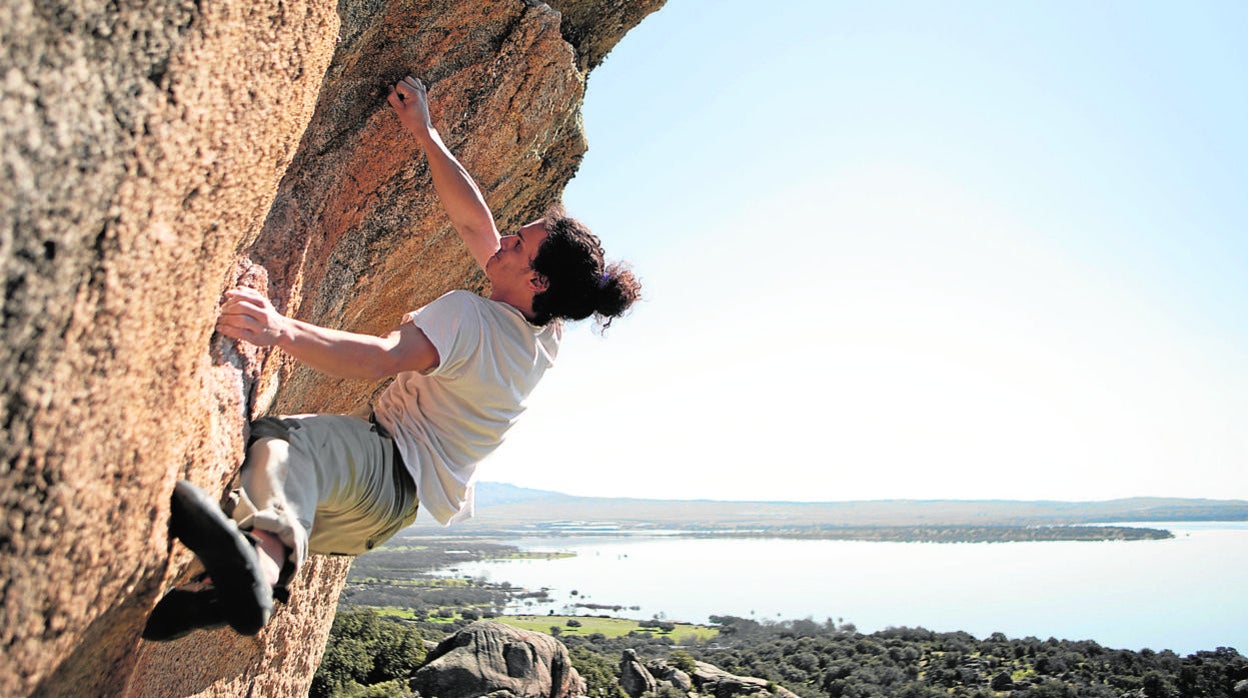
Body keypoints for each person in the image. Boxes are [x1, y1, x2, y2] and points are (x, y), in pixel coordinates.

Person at [142, 75, 640, 641]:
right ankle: (220, 588)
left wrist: (278, 329)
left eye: (518, 244)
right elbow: (474, 223)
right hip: (377, 521)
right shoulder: (543, 333)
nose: (503, 240)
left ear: (536, 279)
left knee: (284, 442)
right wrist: (425, 135)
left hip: (380, 471)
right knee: (263, 488)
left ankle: (260, 570)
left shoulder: (468, 318)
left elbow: (381, 358)